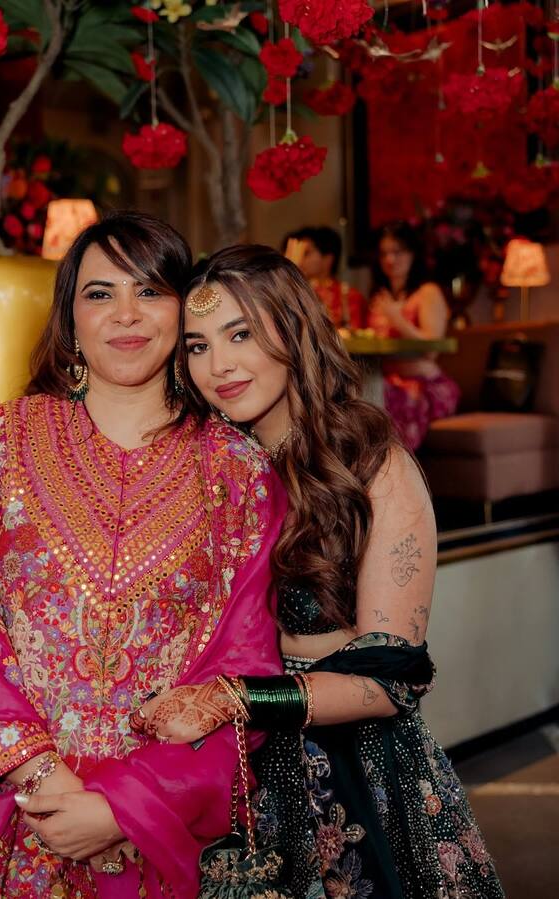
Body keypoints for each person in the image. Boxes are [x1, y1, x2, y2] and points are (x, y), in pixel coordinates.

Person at [0, 213, 286, 898]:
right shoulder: (1, 441)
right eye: (100, 293)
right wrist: (45, 779)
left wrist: (116, 807)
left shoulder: (239, 473)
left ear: (182, 310)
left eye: (150, 291)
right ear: (69, 318)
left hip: (152, 822)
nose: (126, 315)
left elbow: (241, 670)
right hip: (1, 814)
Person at [133, 245, 504, 899]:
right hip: (224, 772)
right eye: (196, 346)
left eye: (240, 333)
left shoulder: (370, 464)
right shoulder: (200, 467)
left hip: (353, 775)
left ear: (293, 326)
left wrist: (235, 699)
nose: (218, 365)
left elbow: (394, 679)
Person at [368, 222, 460, 450]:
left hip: (426, 385)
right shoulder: (380, 297)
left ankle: (393, 475)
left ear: (413, 254)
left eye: (397, 252)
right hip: (386, 380)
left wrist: (396, 319)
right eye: (384, 253)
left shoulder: (427, 293)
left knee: (378, 401)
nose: (390, 260)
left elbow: (431, 348)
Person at [282, 225, 366, 330]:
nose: (299, 259)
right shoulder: (295, 290)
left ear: (327, 259)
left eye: (306, 253)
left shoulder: (349, 296)